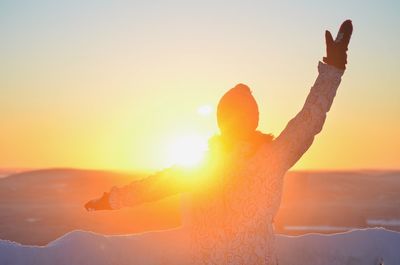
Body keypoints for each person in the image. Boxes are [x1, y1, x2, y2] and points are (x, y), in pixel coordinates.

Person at [85, 20, 353, 265]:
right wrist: (332, 70)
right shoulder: (237, 162)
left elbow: (152, 187)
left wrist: (111, 200)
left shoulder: (212, 167)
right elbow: (310, 120)